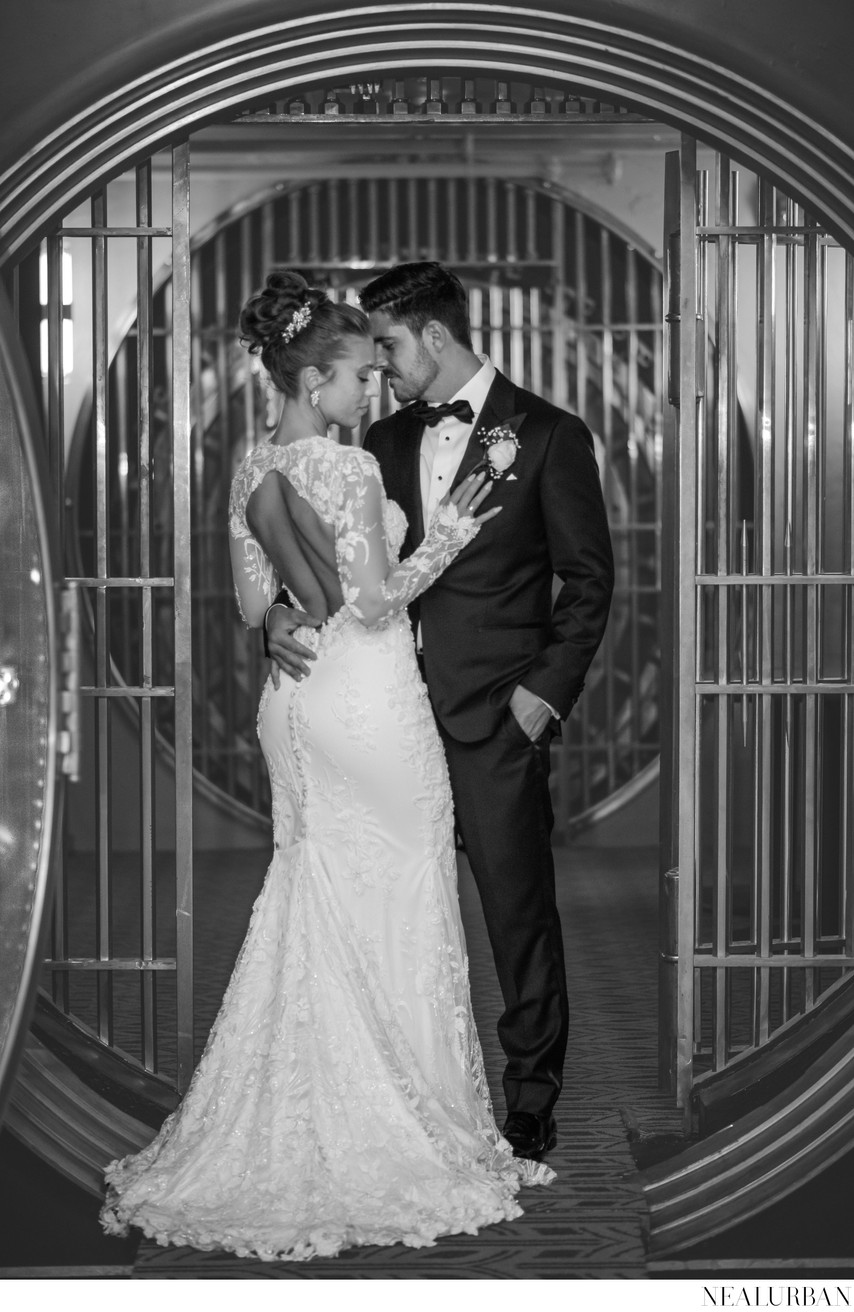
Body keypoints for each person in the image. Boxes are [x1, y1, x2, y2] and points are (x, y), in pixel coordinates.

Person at [99, 271, 553, 1264]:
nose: (369, 393)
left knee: (317, 890)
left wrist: (278, 630)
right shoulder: (344, 469)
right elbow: (379, 604)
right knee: (403, 892)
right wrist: (450, 533)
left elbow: (254, 604)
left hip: (294, 709)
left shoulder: (249, 465)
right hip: (369, 703)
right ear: (313, 381)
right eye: (354, 376)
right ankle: (404, 1114)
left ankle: (316, 1105)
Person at [267, 261, 614, 1163]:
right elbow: (323, 559)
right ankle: (400, 1099)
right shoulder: (375, 443)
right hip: (386, 721)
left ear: (432, 335)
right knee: (394, 913)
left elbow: (588, 583)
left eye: (386, 346)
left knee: (517, 915)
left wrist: (542, 697)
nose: (378, 368)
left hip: (498, 717)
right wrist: (271, 614)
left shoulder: (546, 434)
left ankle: (530, 1103)